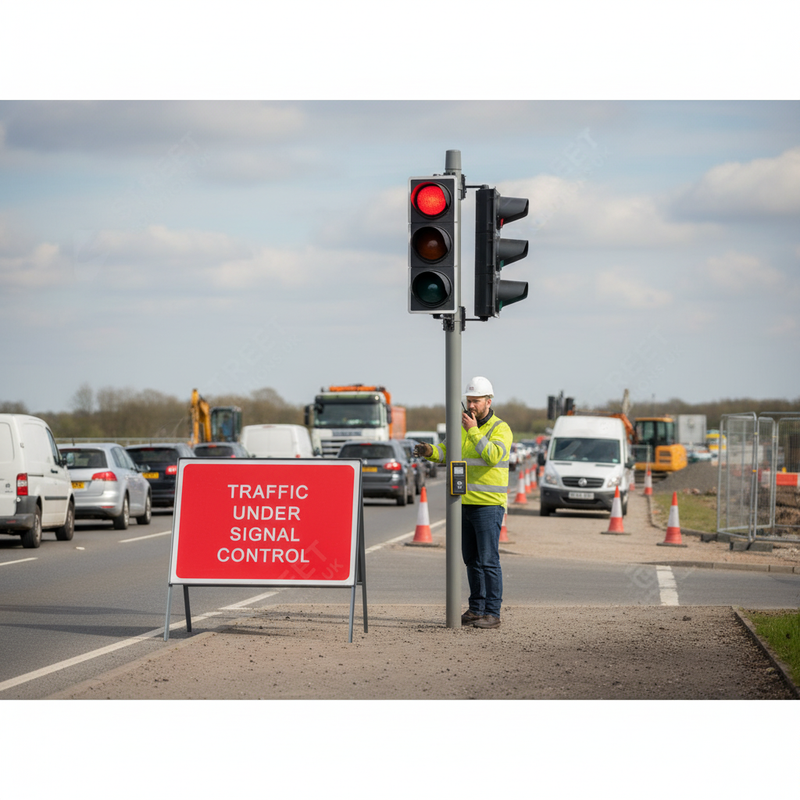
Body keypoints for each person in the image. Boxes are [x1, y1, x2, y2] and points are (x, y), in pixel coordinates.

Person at [413, 376, 512, 629]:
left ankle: (493, 612)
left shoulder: (500, 429)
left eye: (476, 401)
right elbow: (446, 452)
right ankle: (476, 609)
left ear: (488, 401)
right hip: (463, 503)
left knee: (489, 560)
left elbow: (491, 456)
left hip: (488, 505)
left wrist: (473, 430)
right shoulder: (462, 427)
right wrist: (429, 451)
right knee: (471, 560)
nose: (471, 406)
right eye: (469, 400)